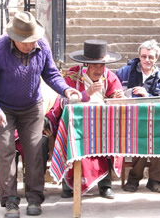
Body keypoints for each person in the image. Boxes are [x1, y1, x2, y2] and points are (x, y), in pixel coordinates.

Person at [0, 11, 81, 218]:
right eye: (27, 42)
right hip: (3, 109)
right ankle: (10, 201)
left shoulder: (41, 45)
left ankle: (34, 198)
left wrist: (65, 90)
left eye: (34, 40)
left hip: (32, 107)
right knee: (5, 154)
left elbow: (50, 73)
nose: (32, 45)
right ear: (15, 39)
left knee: (34, 152)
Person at [45, 39, 124, 199]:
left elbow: (117, 100)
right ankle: (68, 184)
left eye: (101, 65)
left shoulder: (110, 77)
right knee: (68, 135)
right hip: (76, 124)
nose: (98, 69)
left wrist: (117, 97)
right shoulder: (72, 76)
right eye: (94, 66)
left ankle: (105, 184)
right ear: (86, 65)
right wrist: (85, 94)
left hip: (102, 124)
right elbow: (61, 101)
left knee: (111, 133)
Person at [116, 40, 160, 193]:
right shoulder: (124, 72)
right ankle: (134, 179)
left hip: (154, 120)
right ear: (139, 56)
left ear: (156, 58)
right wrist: (116, 93)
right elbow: (111, 89)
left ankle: (154, 180)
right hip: (128, 120)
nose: (147, 60)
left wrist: (148, 95)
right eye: (144, 56)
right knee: (143, 137)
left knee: (157, 136)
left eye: (151, 57)